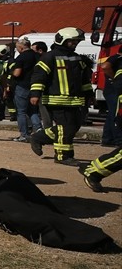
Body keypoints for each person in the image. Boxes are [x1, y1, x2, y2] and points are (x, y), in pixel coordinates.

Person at [29, 27, 93, 166]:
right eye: (72, 41)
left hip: (75, 101)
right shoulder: (49, 57)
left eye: (76, 42)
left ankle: (39, 137)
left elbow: (84, 79)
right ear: (62, 40)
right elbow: (39, 76)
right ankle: (63, 156)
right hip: (56, 99)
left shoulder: (77, 58)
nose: (74, 44)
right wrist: (35, 94)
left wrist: (89, 94)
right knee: (66, 128)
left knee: (73, 126)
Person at [9, 37, 40, 141]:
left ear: (21, 47)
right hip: (35, 87)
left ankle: (24, 135)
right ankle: (39, 130)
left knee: (21, 112)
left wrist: (11, 71)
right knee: (33, 110)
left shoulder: (21, 57)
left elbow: (17, 73)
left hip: (22, 86)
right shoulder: (37, 56)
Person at [98, 53, 122, 146]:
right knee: (116, 114)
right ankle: (118, 140)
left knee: (112, 114)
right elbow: (105, 66)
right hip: (113, 90)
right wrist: (114, 78)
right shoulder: (117, 57)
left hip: (111, 90)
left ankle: (107, 139)